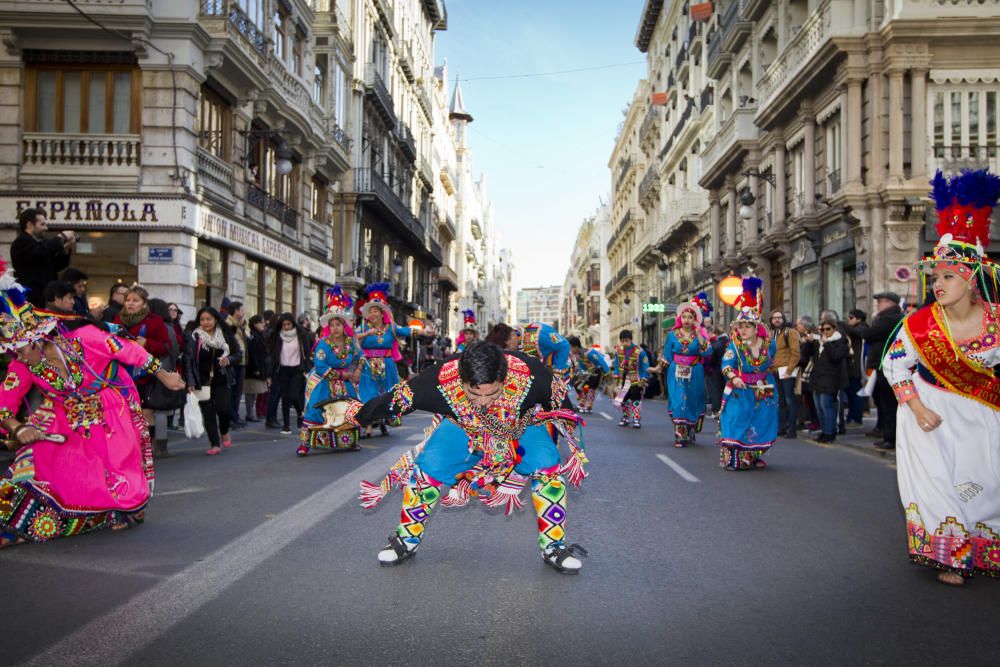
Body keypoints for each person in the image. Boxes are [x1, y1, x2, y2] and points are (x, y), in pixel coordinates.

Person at [350, 341, 589, 573]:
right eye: (475, 394)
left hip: (517, 430)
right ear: (461, 381)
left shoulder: (531, 373)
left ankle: (553, 547)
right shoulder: (438, 379)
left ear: (504, 379)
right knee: (428, 466)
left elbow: (563, 407)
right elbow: (394, 401)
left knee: (548, 464)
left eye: (492, 394)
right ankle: (406, 540)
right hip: (463, 430)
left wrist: (563, 430)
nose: (484, 403)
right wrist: (356, 417)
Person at [0, 258, 185, 548]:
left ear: (37, 340)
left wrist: (163, 375)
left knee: (116, 462)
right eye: (13, 352)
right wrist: (16, 427)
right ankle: (13, 522)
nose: (19, 358)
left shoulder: (84, 338)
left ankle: (129, 508)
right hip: (60, 414)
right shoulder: (21, 365)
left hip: (108, 405)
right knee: (33, 460)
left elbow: (128, 351)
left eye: (22, 350)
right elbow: (5, 403)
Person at [883, 168, 1000, 585]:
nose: (939, 285)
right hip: (928, 412)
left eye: (948, 277)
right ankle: (950, 555)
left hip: (982, 411)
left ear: (971, 281)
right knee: (937, 483)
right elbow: (895, 366)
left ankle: (984, 548)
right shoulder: (919, 324)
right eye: (936, 278)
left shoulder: (997, 321)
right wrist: (916, 408)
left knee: (984, 481)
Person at [718, 277, 778, 470]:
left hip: (763, 387)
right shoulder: (734, 345)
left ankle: (753, 453)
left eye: (747, 326)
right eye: (740, 326)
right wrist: (734, 377)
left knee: (762, 421)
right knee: (736, 418)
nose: (742, 330)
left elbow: (770, 363)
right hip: (741, 388)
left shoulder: (770, 344)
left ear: (756, 328)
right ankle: (735, 454)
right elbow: (726, 363)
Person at [298, 286, 363, 457]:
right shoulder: (324, 344)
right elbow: (319, 364)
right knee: (315, 409)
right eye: (332, 325)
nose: (335, 328)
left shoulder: (351, 342)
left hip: (345, 381)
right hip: (324, 380)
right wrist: (343, 375)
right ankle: (305, 444)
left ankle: (351, 440)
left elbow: (360, 357)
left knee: (350, 408)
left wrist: (357, 371)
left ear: (344, 326)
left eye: (338, 324)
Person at [112, 285, 171, 452]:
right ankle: (128, 448)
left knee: (146, 414)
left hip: (146, 376)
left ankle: (145, 448)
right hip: (121, 375)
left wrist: (148, 344)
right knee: (125, 414)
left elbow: (166, 347)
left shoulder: (155, 321)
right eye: (128, 300)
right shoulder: (117, 319)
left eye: (135, 300)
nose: (130, 304)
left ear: (144, 304)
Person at [355, 283, 412, 438]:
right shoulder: (363, 327)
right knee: (369, 395)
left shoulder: (391, 328)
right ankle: (367, 426)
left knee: (386, 395)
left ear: (382, 313)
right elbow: (351, 337)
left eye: (376, 311)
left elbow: (406, 331)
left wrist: (422, 329)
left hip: (387, 365)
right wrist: (367, 334)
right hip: (368, 366)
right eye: (371, 311)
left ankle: (382, 421)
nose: (372, 314)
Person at [184, 307, 241, 455]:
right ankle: (215, 444)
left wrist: (228, 360)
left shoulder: (225, 334)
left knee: (224, 410)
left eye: (209, 319)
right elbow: (188, 360)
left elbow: (238, 354)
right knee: (208, 413)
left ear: (216, 319)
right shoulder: (194, 336)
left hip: (222, 378)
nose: (205, 322)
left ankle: (224, 431)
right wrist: (190, 382)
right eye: (202, 319)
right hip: (201, 380)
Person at [660, 301, 711, 447]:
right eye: (684, 317)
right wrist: (658, 368)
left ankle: (690, 429)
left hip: (695, 371)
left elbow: (707, 352)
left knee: (693, 401)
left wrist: (699, 334)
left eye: (690, 317)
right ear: (680, 318)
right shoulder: (672, 334)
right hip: (676, 371)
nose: (687, 320)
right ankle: (680, 434)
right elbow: (667, 355)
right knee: (679, 401)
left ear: (695, 320)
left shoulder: (700, 335)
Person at [861, 291, 904, 449]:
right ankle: (887, 434)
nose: (878, 305)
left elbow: (869, 334)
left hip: (885, 364)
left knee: (888, 404)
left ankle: (891, 437)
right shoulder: (888, 317)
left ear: (889, 303)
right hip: (882, 364)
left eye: (880, 302)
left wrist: (867, 328)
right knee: (883, 403)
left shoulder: (888, 318)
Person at [9, 208, 75, 308]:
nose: (46, 228)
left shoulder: (41, 243)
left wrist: (65, 250)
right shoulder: (21, 242)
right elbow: (39, 253)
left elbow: (54, 265)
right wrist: (61, 237)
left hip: (45, 298)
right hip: (31, 299)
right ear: (30, 225)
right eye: (42, 224)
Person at [268, 312, 311, 435]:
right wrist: (269, 374)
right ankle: (286, 426)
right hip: (282, 369)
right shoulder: (277, 336)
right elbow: (273, 356)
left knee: (293, 395)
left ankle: (299, 413)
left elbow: (307, 353)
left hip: (297, 369)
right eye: (284, 325)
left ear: (293, 324)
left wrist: (307, 368)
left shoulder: (301, 334)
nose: (286, 327)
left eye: (288, 324)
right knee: (285, 398)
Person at [809, 315, 849, 443]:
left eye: (828, 329)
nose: (825, 332)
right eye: (822, 330)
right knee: (819, 407)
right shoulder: (818, 342)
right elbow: (806, 356)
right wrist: (809, 342)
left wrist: (827, 344)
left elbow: (836, 356)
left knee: (826, 406)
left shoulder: (840, 341)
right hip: (817, 378)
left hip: (831, 378)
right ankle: (824, 431)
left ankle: (830, 432)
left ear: (834, 329)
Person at [769, 310, 801, 439]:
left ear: (783, 319)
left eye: (779, 318)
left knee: (790, 400)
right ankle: (781, 428)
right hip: (775, 371)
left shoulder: (790, 332)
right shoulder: (771, 334)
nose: (777, 320)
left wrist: (789, 370)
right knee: (780, 401)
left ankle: (792, 429)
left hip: (786, 370)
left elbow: (796, 353)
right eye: (774, 318)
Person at [611, 329, 651, 428]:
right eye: (623, 341)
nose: (625, 343)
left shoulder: (639, 351)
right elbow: (616, 363)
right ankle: (625, 416)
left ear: (631, 340)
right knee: (623, 399)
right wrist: (616, 373)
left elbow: (645, 364)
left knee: (635, 398)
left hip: (636, 379)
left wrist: (644, 377)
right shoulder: (618, 350)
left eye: (627, 341)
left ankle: (636, 418)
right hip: (623, 378)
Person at [841, 309, 870, 426]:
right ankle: (851, 415)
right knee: (850, 392)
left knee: (855, 393)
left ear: (859, 319)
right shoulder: (852, 330)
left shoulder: (863, 328)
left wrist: (840, 323)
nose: (849, 320)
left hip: (857, 366)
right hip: (850, 365)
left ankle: (857, 417)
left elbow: (856, 332)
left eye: (851, 318)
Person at [567, 336, 608, 414]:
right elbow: (582, 367)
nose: (570, 350)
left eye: (571, 348)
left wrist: (607, 374)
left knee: (591, 388)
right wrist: (581, 375)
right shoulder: (578, 355)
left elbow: (602, 361)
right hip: (589, 373)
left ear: (575, 347)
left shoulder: (590, 352)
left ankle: (589, 405)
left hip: (597, 372)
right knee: (582, 386)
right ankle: (583, 402)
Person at [243, 314, 270, 423]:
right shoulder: (254, 336)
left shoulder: (260, 335)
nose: (263, 324)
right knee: (251, 392)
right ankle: (250, 414)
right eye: (261, 322)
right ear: (255, 324)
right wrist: (255, 368)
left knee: (255, 392)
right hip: (254, 370)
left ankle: (252, 414)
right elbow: (253, 354)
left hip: (259, 368)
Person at [226, 301, 248, 428]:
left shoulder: (240, 324)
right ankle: (230, 418)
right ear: (236, 311)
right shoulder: (229, 324)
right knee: (233, 392)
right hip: (234, 361)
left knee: (238, 392)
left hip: (241, 361)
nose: (243, 312)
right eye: (241, 310)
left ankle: (235, 416)